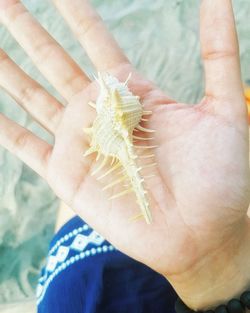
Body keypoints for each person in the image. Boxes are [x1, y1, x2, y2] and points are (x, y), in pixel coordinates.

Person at [0, 0, 250, 312]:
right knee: (83, 175)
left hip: (71, 288)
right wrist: (219, 268)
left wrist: (213, 263)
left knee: (79, 183)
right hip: (169, 278)